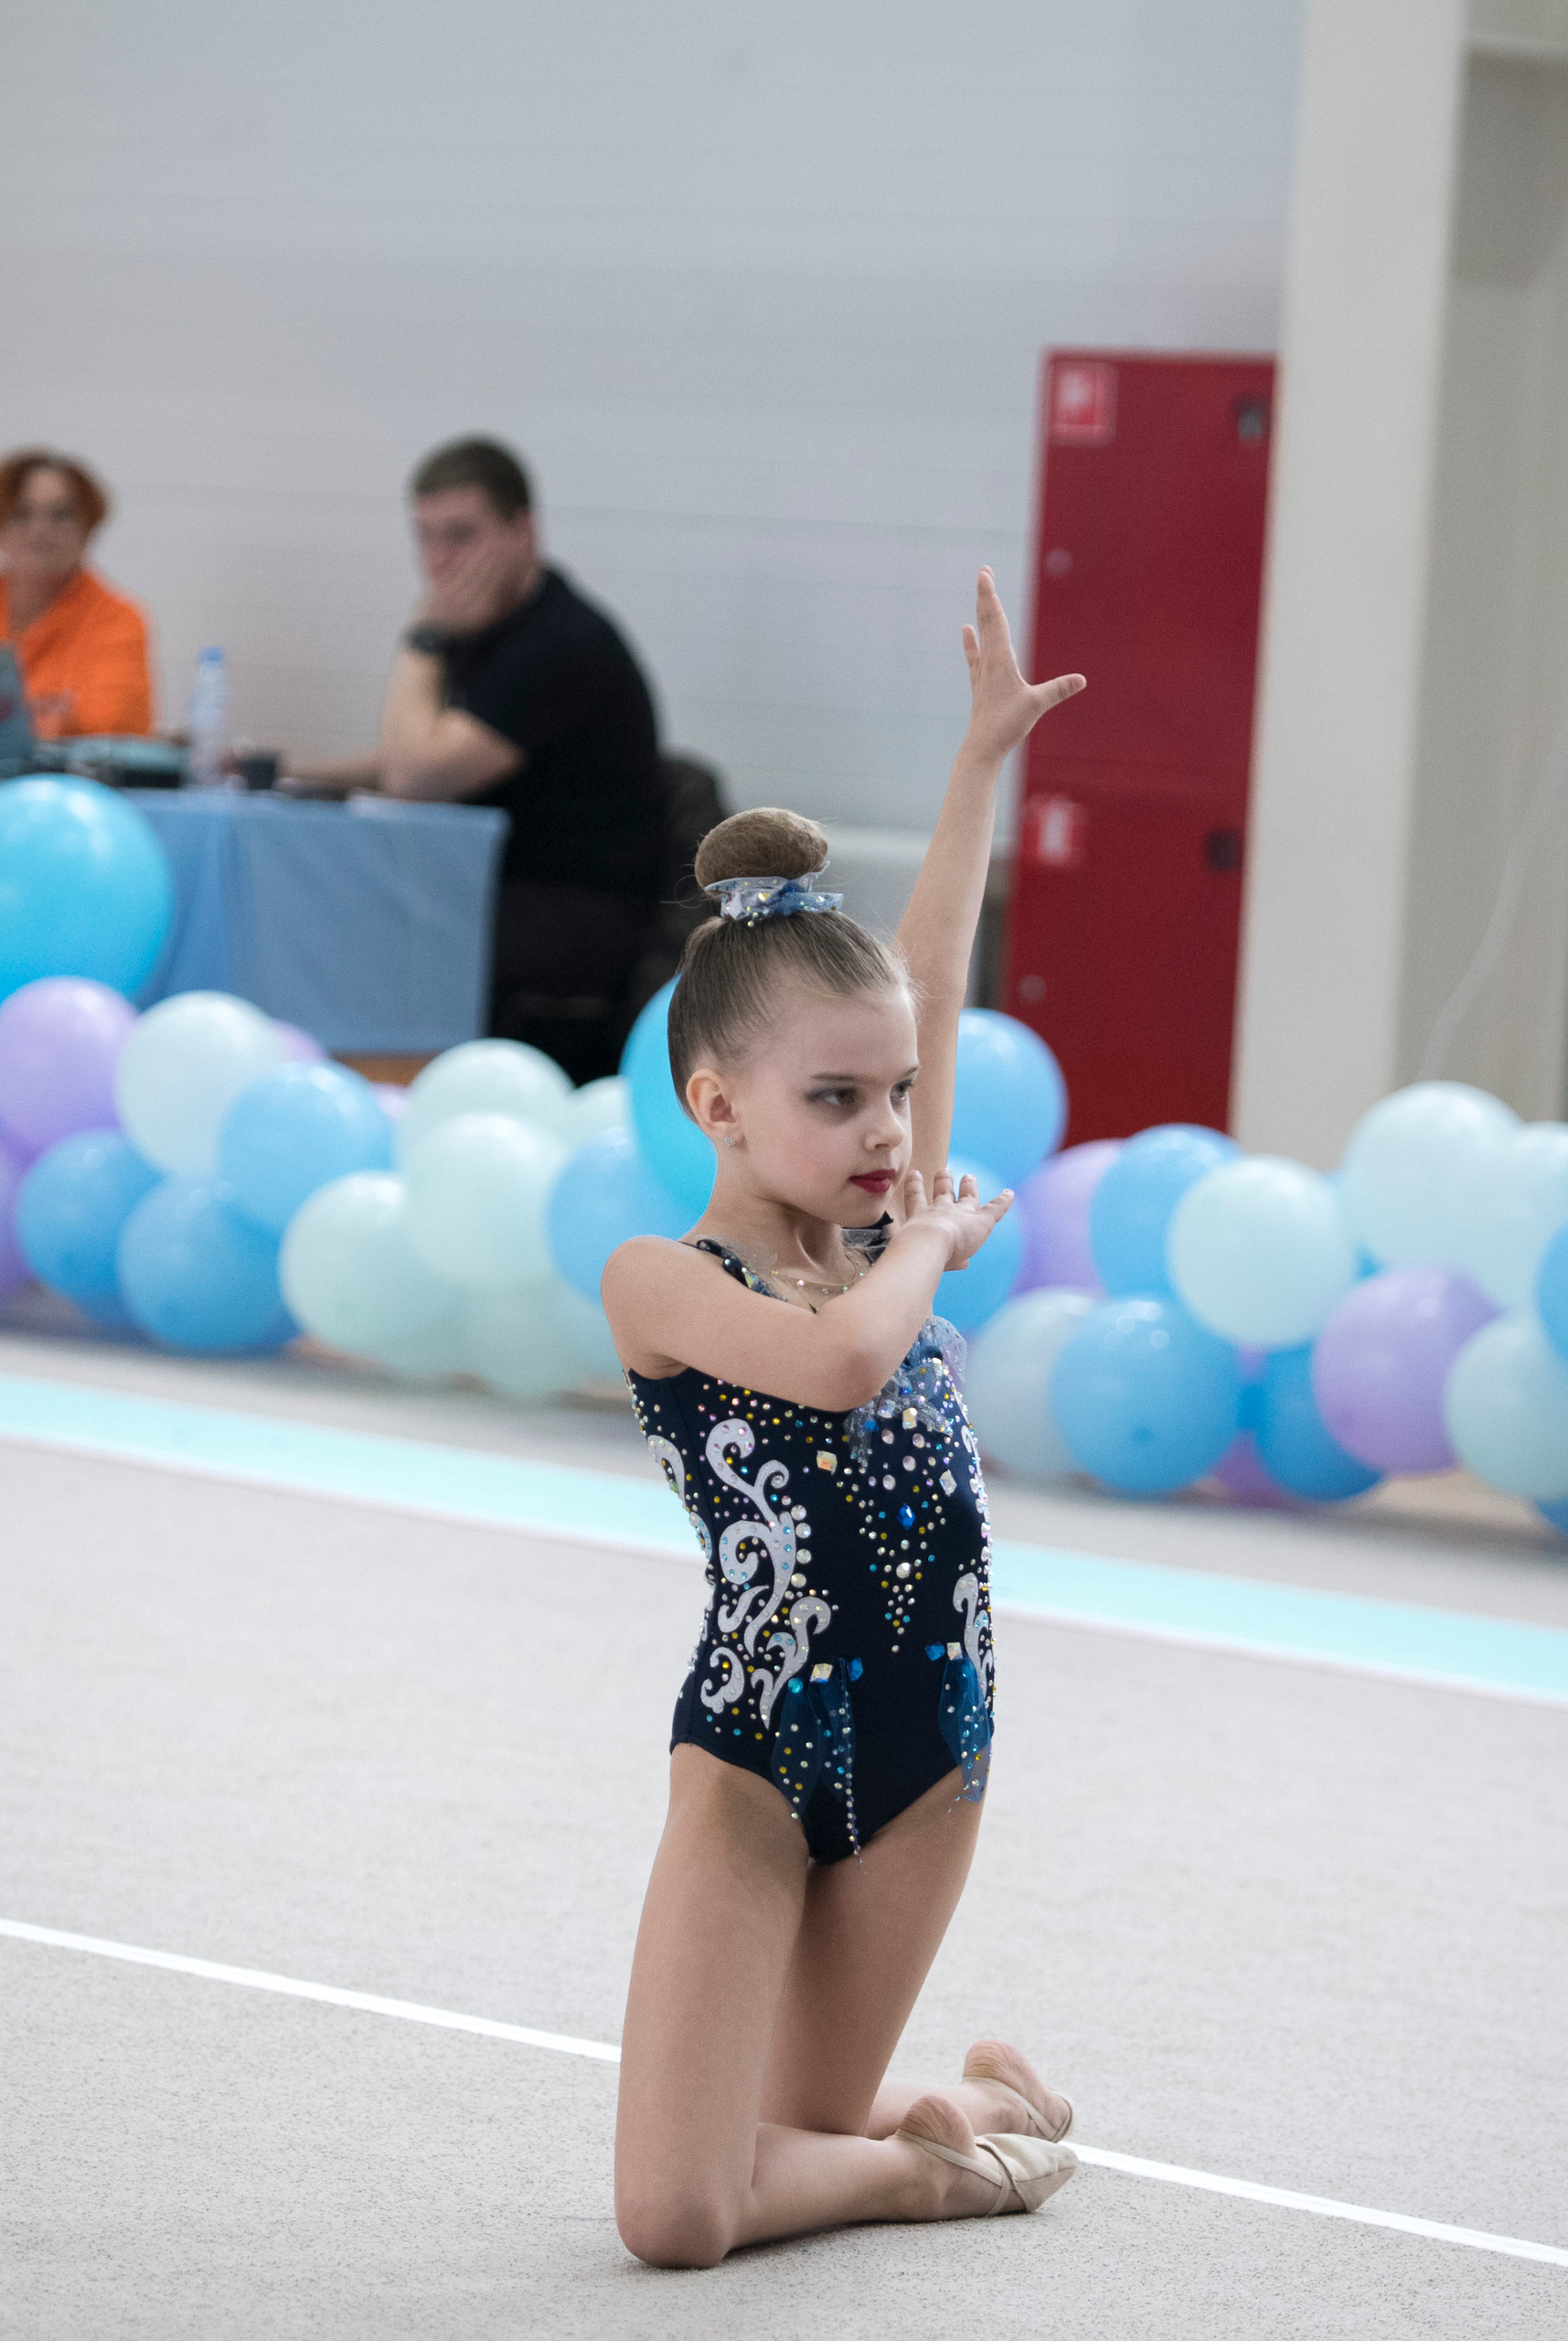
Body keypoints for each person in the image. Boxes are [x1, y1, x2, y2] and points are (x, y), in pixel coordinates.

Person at [600, 570, 1086, 2267]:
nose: (891, 1128)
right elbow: (839, 1368)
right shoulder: (663, 1282)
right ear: (716, 1103)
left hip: (924, 1742)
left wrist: (976, 766)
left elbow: (930, 973)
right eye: (837, 1099)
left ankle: (956, 2111)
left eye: (895, 1097)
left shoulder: (885, 1229)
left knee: (777, 2133)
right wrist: (940, 1239)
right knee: (674, 2216)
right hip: (753, 1751)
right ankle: (936, 2160)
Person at [289, 437, 668, 1018]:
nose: (440, 560)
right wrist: (291, 774)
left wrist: (424, 638)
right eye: (426, 536)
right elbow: (411, 756)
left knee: (364, 928)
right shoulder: (492, 626)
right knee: (327, 894)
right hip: (500, 887)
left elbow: (415, 779)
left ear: (523, 532)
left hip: (580, 910)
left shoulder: (560, 642)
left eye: (461, 535)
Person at [0, 450, 154, 740]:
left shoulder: (118, 622)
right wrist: (51, 721)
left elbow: (111, 727)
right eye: (21, 514)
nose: (40, 530)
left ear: (88, 528)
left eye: (61, 515)